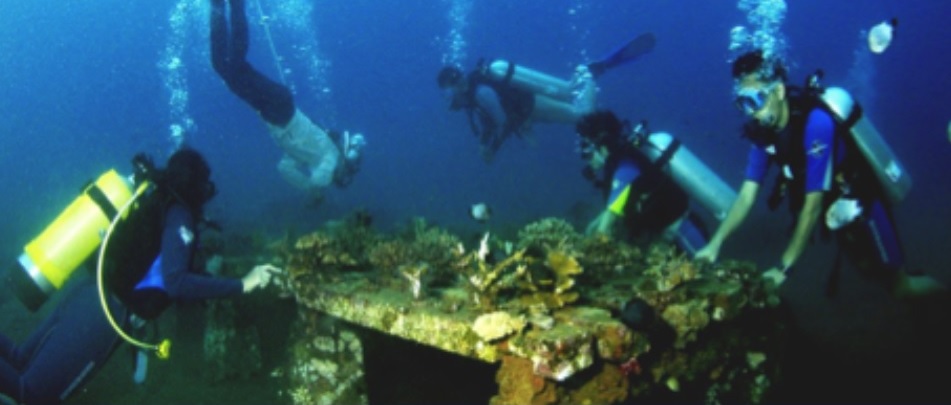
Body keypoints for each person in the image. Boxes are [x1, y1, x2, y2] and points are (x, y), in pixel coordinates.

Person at [0, 148, 280, 404]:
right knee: (32, 396)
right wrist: (243, 284)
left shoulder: (154, 200)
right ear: (196, 185)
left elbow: (159, 270)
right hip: (105, 315)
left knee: (19, 360)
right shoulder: (179, 215)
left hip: (90, 292)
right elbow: (176, 283)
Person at [695, 49, 945, 298]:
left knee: (900, 286)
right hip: (835, 214)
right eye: (743, 104)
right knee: (873, 275)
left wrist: (784, 267)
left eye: (756, 100)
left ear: (778, 91)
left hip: (862, 205)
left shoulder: (817, 124)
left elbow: (813, 203)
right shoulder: (763, 135)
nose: (752, 113)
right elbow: (746, 196)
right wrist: (714, 244)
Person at [210, 0, 365, 200]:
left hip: (273, 111)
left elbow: (284, 168)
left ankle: (218, 7)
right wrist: (314, 189)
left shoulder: (311, 158)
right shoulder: (331, 155)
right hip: (280, 108)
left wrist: (307, 186)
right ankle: (234, 4)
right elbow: (321, 178)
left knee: (223, 66)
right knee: (234, 65)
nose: (339, 177)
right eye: (345, 173)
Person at [576, 110, 710, 256]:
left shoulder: (625, 166)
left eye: (587, 148)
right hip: (669, 234)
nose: (585, 155)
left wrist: (590, 247)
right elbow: (616, 203)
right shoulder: (621, 163)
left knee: (707, 265)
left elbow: (612, 213)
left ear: (602, 144)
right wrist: (595, 224)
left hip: (683, 231)